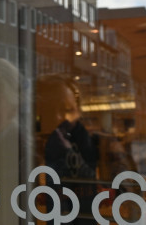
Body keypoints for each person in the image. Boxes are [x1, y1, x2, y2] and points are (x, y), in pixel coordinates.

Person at [36, 74, 98, 224]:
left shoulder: (84, 144)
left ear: (78, 111)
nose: (61, 117)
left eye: (69, 110)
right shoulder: (29, 150)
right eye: (51, 110)